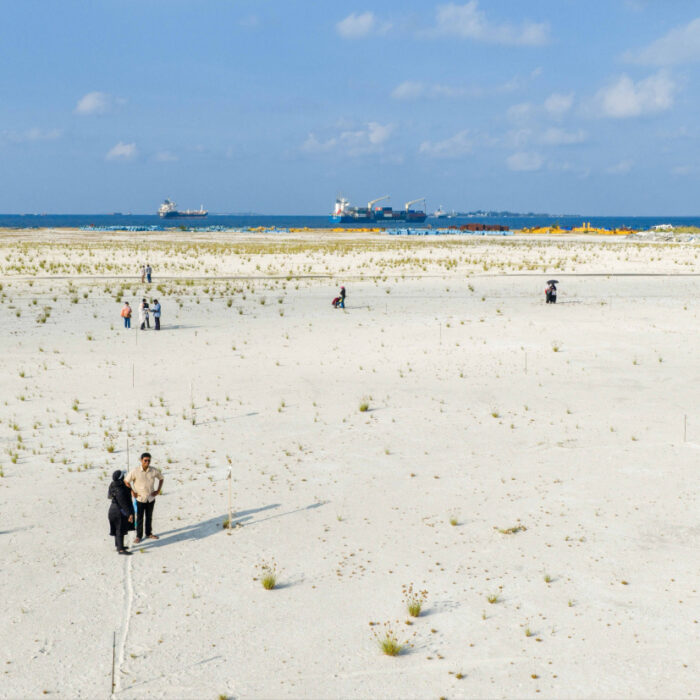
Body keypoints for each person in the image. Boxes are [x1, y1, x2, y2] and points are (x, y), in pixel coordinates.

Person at [124, 453, 164, 544]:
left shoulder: (153, 470)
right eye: (145, 460)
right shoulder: (135, 471)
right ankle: (138, 536)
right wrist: (132, 491)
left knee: (149, 517)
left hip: (150, 498)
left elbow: (161, 478)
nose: (147, 462)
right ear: (141, 460)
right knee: (139, 518)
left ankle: (149, 533)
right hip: (140, 499)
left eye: (149, 460)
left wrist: (158, 490)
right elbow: (126, 481)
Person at [108, 470, 135, 555]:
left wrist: (127, 488)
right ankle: (120, 549)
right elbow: (123, 503)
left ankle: (119, 545)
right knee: (120, 529)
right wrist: (129, 514)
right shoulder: (121, 489)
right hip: (119, 511)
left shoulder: (113, 485)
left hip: (112, 509)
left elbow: (109, 496)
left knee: (117, 529)